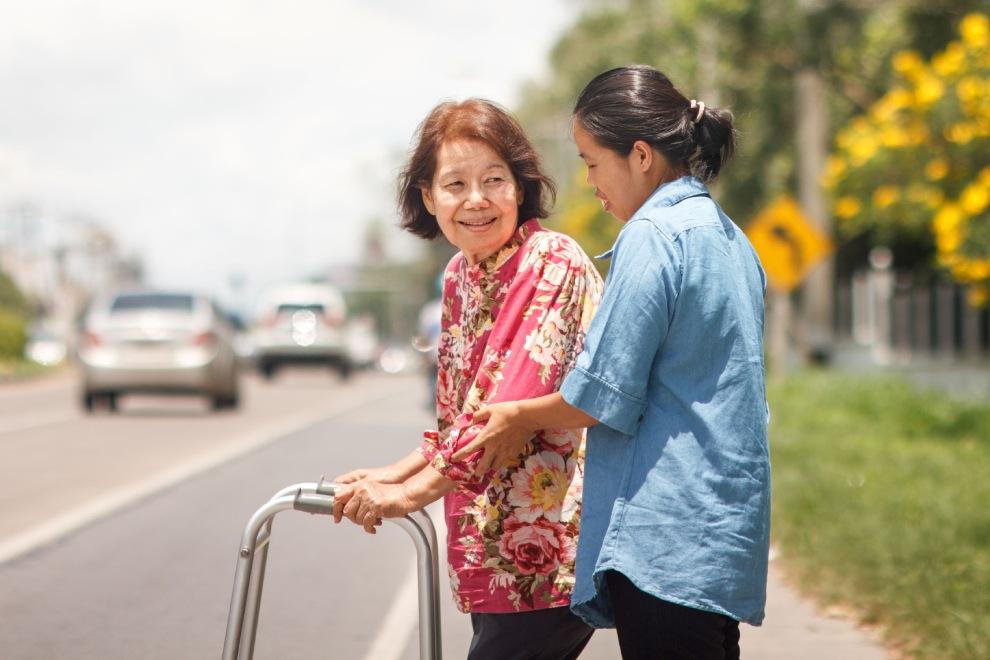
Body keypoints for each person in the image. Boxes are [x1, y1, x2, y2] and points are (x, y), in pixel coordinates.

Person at [452, 65, 771, 660]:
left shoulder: (653, 234)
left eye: (593, 161)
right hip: (721, 532)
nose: (591, 181)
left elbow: (598, 395)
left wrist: (515, 415)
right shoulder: (730, 236)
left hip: (663, 537)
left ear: (642, 156)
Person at [330, 98, 604, 660]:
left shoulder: (550, 261)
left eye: (494, 180)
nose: (475, 200)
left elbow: (501, 415)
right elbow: (461, 417)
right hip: (486, 539)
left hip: (551, 543)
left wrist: (407, 495)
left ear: (520, 188)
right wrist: (392, 471)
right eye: (455, 184)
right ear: (429, 198)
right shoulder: (460, 274)